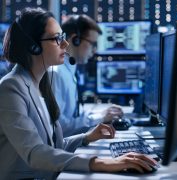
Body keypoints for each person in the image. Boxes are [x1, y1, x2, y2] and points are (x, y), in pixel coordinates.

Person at [0, 7, 157, 180]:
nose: (65, 44)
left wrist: (86, 137)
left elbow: (52, 146)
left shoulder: (41, 83)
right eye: (57, 38)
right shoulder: (10, 87)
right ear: (34, 46)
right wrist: (100, 162)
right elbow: (36, 152)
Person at [51, 14, 124, 137]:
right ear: (75, 40)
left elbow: (71, 118)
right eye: (92, 43)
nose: (94, 50)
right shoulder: (56, 74)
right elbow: (58, 127)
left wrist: (101, 115)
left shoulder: (69, 71)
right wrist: (99, 118)